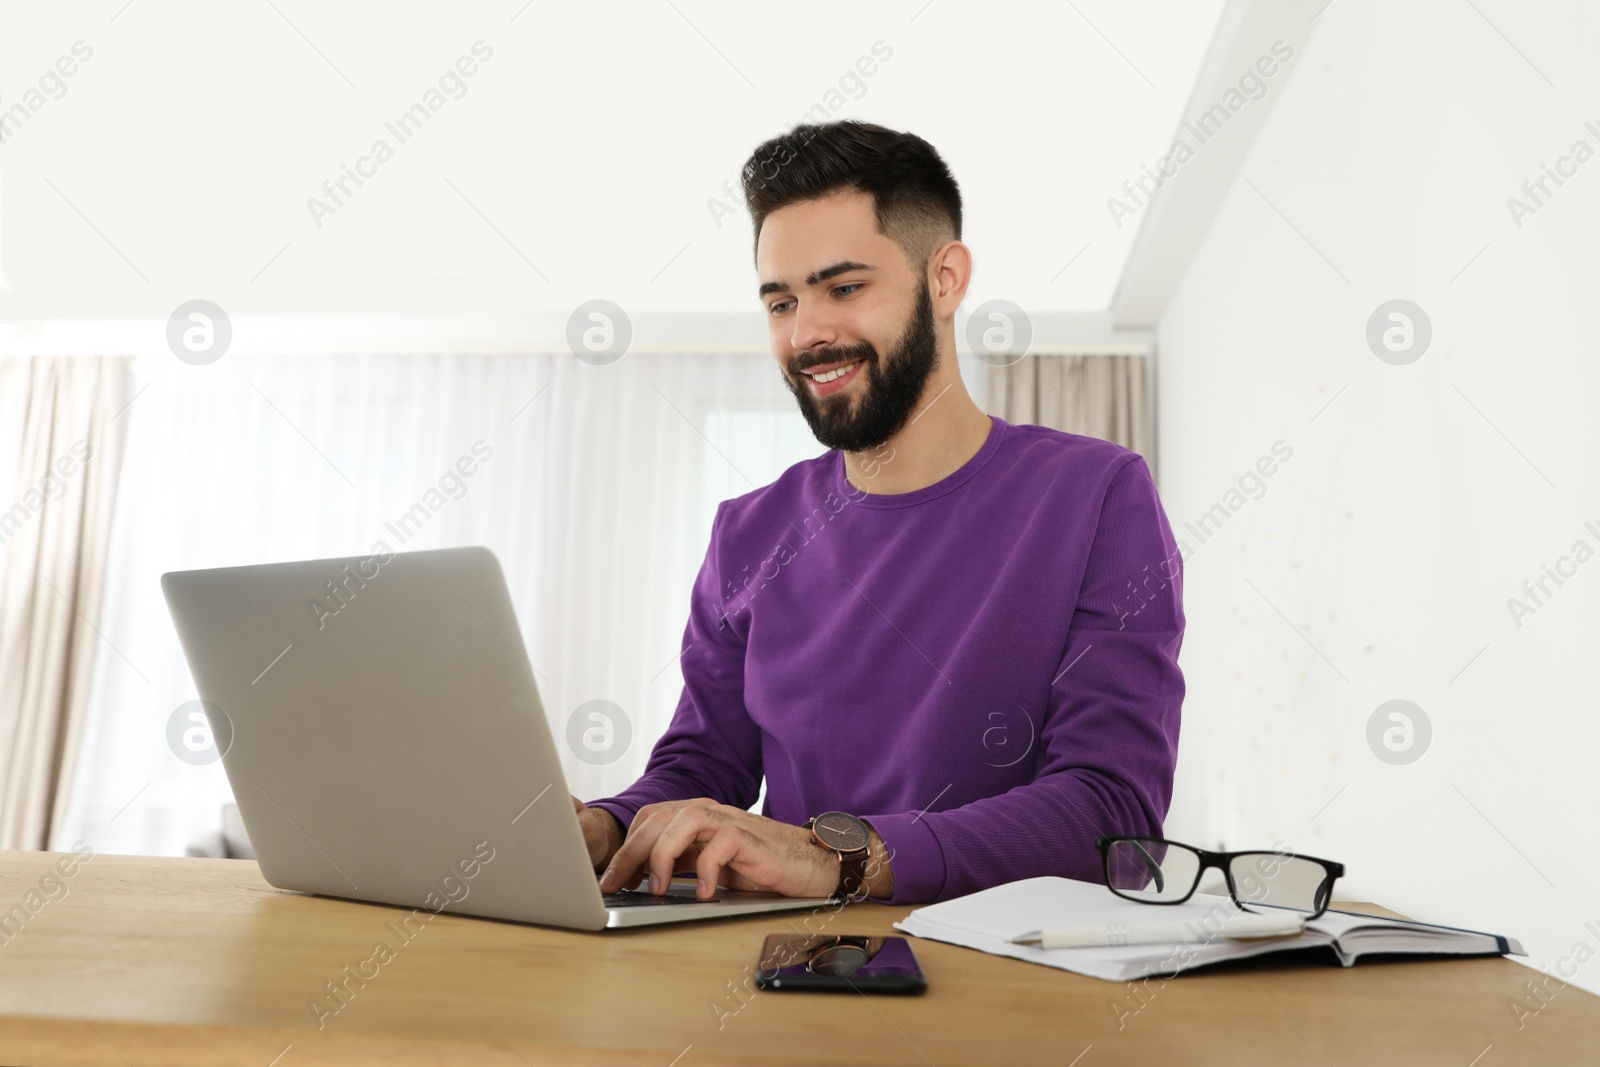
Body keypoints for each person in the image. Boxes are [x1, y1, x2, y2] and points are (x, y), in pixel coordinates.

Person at [571, 120, 1185, 905]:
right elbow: (700, 772)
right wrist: (607, 827)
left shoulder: (1098, 496)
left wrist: (839, 856)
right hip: (787, 968)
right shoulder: (747, 534)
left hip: (1010, 985)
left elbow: (1112, 815)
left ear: (946, 279)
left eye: (844, 288)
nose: (807, 333)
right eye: (781, 301)